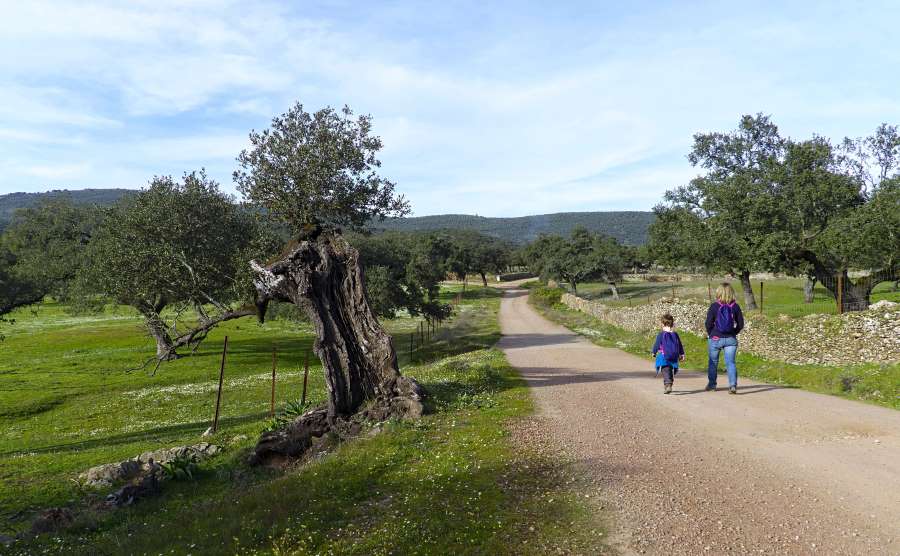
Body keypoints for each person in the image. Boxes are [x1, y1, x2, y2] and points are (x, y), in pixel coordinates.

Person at [705, 282, 745, 394]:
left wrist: (711, 334)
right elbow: (741, 324)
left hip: (715, 338)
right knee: (731, 363)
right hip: (731, 339)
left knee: (713, 362)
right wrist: (733, 333)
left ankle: (712, 385)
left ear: (718, 292)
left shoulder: (714, 306)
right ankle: (732, 385)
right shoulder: (735, 307)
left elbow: (708, 323)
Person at [650, 313, 685, 394]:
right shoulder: (675, 334)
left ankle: (668, 385)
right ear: (672, 323)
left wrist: (654, 352)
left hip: (663, 356)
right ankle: (669, 384)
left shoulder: (661, 334)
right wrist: (682, 354)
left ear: (662, 324)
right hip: (673, 356)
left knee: (665, 370)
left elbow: (657, 344)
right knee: (670, 370)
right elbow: (679, 345)